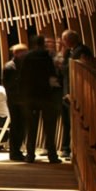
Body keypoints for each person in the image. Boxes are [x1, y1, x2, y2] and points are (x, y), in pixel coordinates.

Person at [18, 35, 61, 163]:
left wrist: (22, 96)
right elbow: (53, 76)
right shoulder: (48, 57)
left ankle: (30, 155)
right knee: (49, 127)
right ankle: (52, 155)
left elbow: (22, 78)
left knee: (31, 127)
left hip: (30, 97)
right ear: (43, 44)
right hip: (47, 96)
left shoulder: (27, 57)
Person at [59, 29, 93, 158]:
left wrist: (71, 92)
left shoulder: (82, 51)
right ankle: (66, 148)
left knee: (75, 122)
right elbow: (65, 72)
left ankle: (75, 149)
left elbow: (80, 74)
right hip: (66, 91)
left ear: (70, 40)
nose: (63, 42)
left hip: (76, 92)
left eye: (65, 39)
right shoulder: (69, 52)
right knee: (66, 122)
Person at [2, 43, 28, 161]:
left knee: (20, 126)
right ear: (16, 53)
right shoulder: (9, 67)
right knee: (16, 126)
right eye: (24, 52)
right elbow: (8, 85)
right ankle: (14, 152)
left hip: (21, 100)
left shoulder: (21, 65)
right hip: (15, 101)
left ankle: (17, 151)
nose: (26, 54)